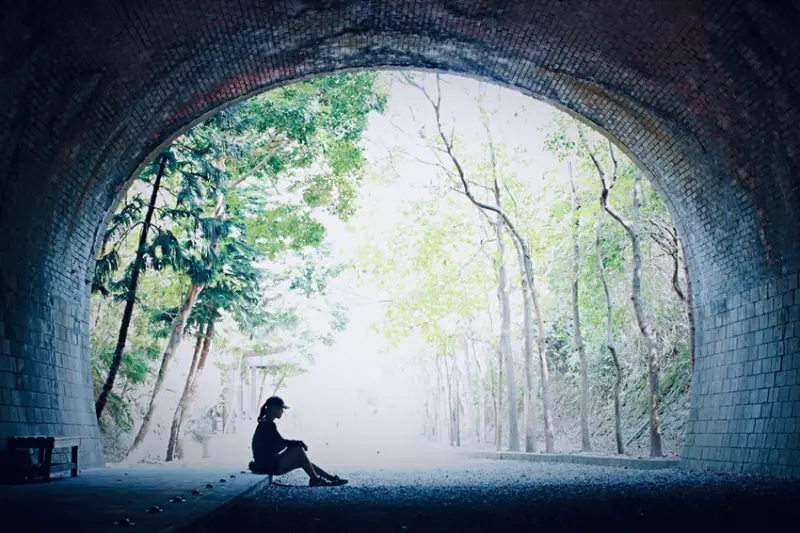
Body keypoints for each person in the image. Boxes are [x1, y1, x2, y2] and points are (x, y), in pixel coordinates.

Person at [248, 396, 348, 487]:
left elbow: (278, 444)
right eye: (281, 409)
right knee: (298, 450)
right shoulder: (267, 424)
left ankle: (328, 478)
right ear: (274, 408)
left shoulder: (266, 423)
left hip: (265, 464)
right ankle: (317, 479)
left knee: (303, 460)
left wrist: (294, 444)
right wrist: (298, 443)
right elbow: (281, 443)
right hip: (267, 465)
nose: (282, 411)